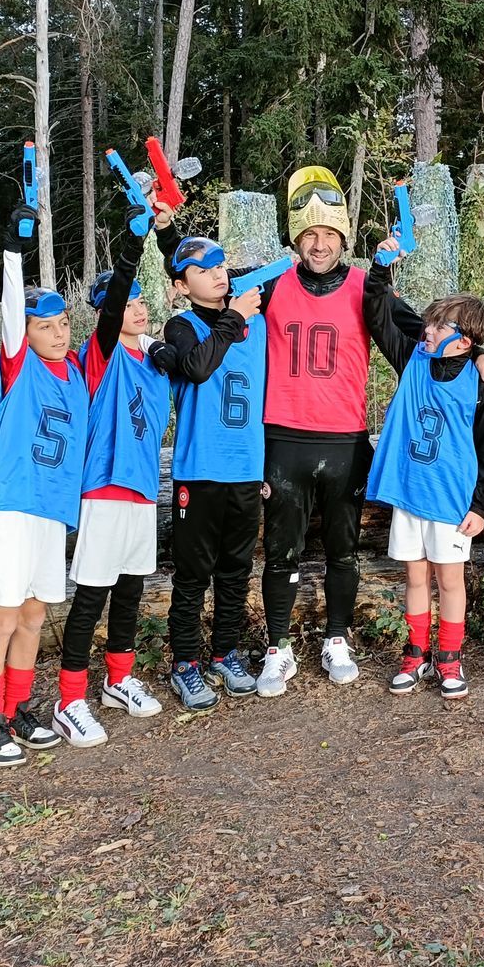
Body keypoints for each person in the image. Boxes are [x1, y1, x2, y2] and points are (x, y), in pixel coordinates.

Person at [253, 167, 484, 696]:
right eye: (309, 235)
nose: (319, 245)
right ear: (296, 237)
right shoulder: (271, 283)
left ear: (344, 236)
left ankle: (336, 639)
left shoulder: (368, 287)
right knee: (281, 550)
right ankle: (278, 648)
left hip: (343, 437)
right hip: (283, 436)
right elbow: (210, 293)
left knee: (343, 550)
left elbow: (427, 336)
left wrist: (479, 354)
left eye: (330, 235)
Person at [53, 204, 180, 743]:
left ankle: (119, 681)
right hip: (103, 487)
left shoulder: (157, 359)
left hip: (142, 490)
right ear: (109, 312)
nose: (138, 308)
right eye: (127, 303)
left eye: (142, 301)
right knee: (92, 595)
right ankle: (70, 700)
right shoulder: (99, 354)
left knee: (130, 590)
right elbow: (112, 313)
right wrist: (134, 245)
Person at [0, 204, 88, 767]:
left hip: (53, 507)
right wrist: (15, 248)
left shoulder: (77, 374)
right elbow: (13, 315)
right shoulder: (20, 366)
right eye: (46, 326)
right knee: (3, 613)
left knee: (36, 614)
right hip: (15, 504)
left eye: (64, 324)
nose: (59, 334)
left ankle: (18, 708)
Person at [365, 240, 484, 700]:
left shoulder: (478, 379)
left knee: (450, 579)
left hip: (451, 500)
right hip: (410, 491)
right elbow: (382, 310)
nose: (427, 329)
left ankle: (450, 659)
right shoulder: (412, 358)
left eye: (439, 324)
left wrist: (481, 504)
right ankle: (415, 655)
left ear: (464, 340)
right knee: (416, 577)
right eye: (429, 321)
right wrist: (381, 266)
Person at [157, 231, 268, 710]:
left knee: (235, 570)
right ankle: (185, 663)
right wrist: (232, 317)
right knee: (192, 574)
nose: (218, 274)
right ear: (181, 286)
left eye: (221, 264)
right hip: (200, 471)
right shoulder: (181, 327)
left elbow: (294, 267)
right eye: (202, 271)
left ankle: (225, 652)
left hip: (246, 470)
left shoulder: (254, 316)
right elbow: (199, 369)